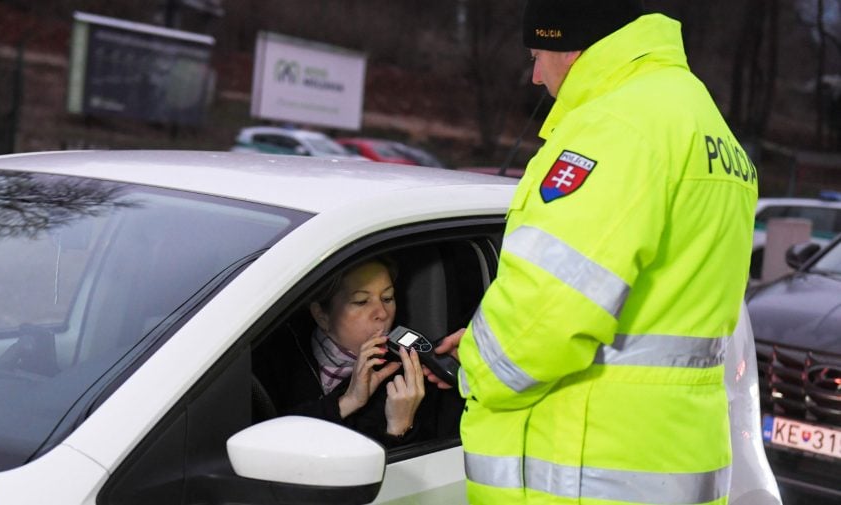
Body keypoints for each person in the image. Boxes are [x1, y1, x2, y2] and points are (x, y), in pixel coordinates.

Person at [428, 1, 759, 503]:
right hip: (671, 458)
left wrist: (473, 364)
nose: (536, 76)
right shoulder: (699, 116)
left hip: (590, 472)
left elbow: (548, 311)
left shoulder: (619, 126)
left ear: (573, 46)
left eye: (539, 54)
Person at [278, 257, 462, 447]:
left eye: (387, 298)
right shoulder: (279, 354)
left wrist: (400, 427)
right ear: (322, 315)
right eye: (361, 301)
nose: (382, 313)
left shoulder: (412, 378)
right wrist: (348, 401)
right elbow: (275, 441)